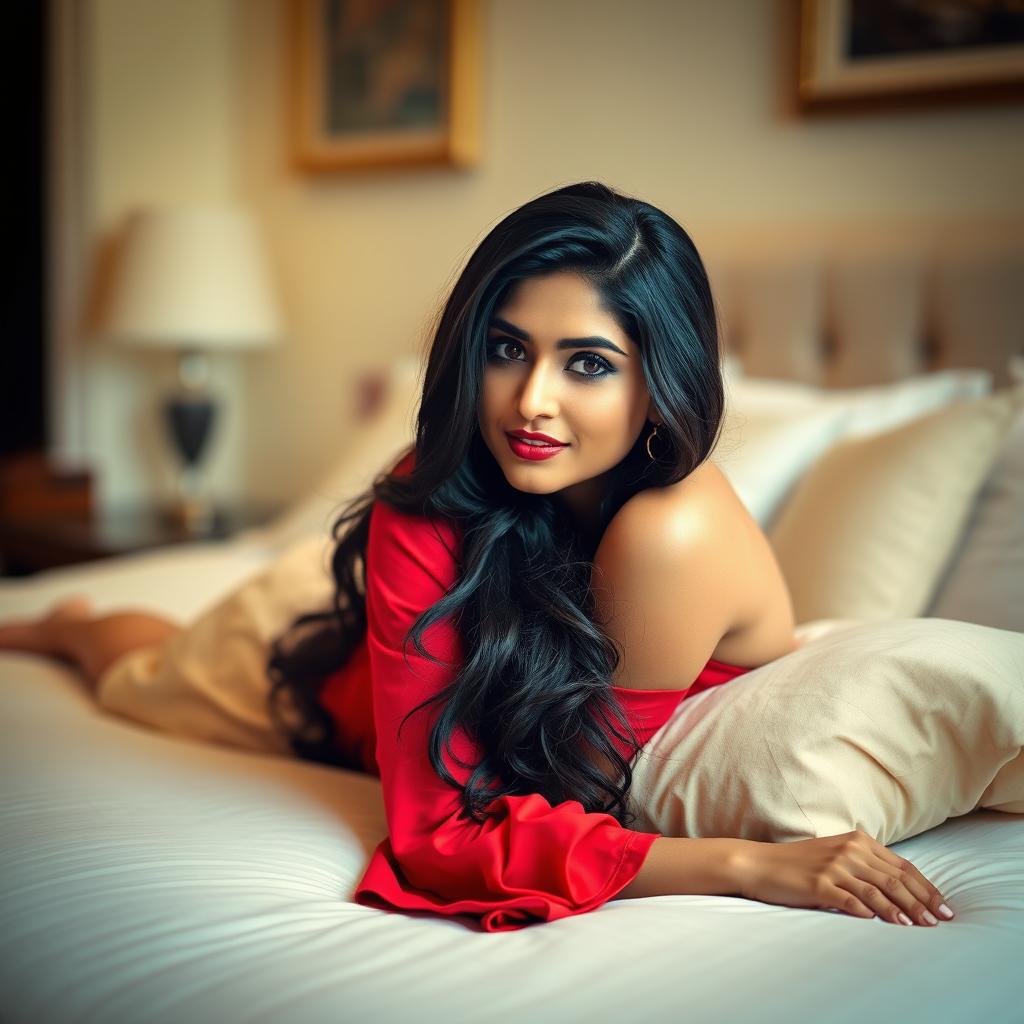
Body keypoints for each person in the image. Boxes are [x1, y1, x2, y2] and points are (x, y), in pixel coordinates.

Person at [0, 181, 953, 932]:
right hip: (341, 683)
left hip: (440, 668)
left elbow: (558, 800)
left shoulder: (672, 533)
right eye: (507, 349)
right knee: (139, 671)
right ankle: (64, 622)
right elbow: (442, 835)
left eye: (587, 363)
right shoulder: (436, 483)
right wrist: (747, 864)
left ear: (661, 384)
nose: (530, 401)